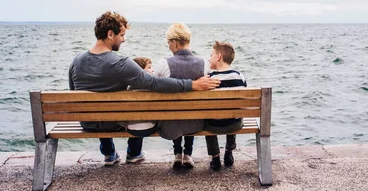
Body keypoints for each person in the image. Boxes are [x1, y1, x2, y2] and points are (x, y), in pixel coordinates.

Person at [68, 12, 219, 166]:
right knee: (137, 104)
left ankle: (109, 154)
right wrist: (192, 84)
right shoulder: (121, 63)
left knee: (99, 104)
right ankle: (133, 153)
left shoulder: (76, 61)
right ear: (110, 34)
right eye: (121, 35)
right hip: (113, 122)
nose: (123, 39)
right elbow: (154, 83)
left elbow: (74, 92)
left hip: (86, 122)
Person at [153, 22, 210, 169]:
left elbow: (154, 83)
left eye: (169, 42)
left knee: (174, 112)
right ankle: (188, 154)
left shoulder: (164, 63)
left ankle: (178, 153)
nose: (168, 46)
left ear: (175, 42)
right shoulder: (203, 63)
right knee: (190, 110)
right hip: (196, 122)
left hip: (171, 123)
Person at [204, 41, 247, 170]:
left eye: (211, 55)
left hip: (213, 126)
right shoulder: (239, 76)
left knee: (207, 116)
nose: (209, 58)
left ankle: (215, 157)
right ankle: (229, 152)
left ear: (218, 56)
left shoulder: (209, 78)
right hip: (234, 124)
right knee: (234, 112)